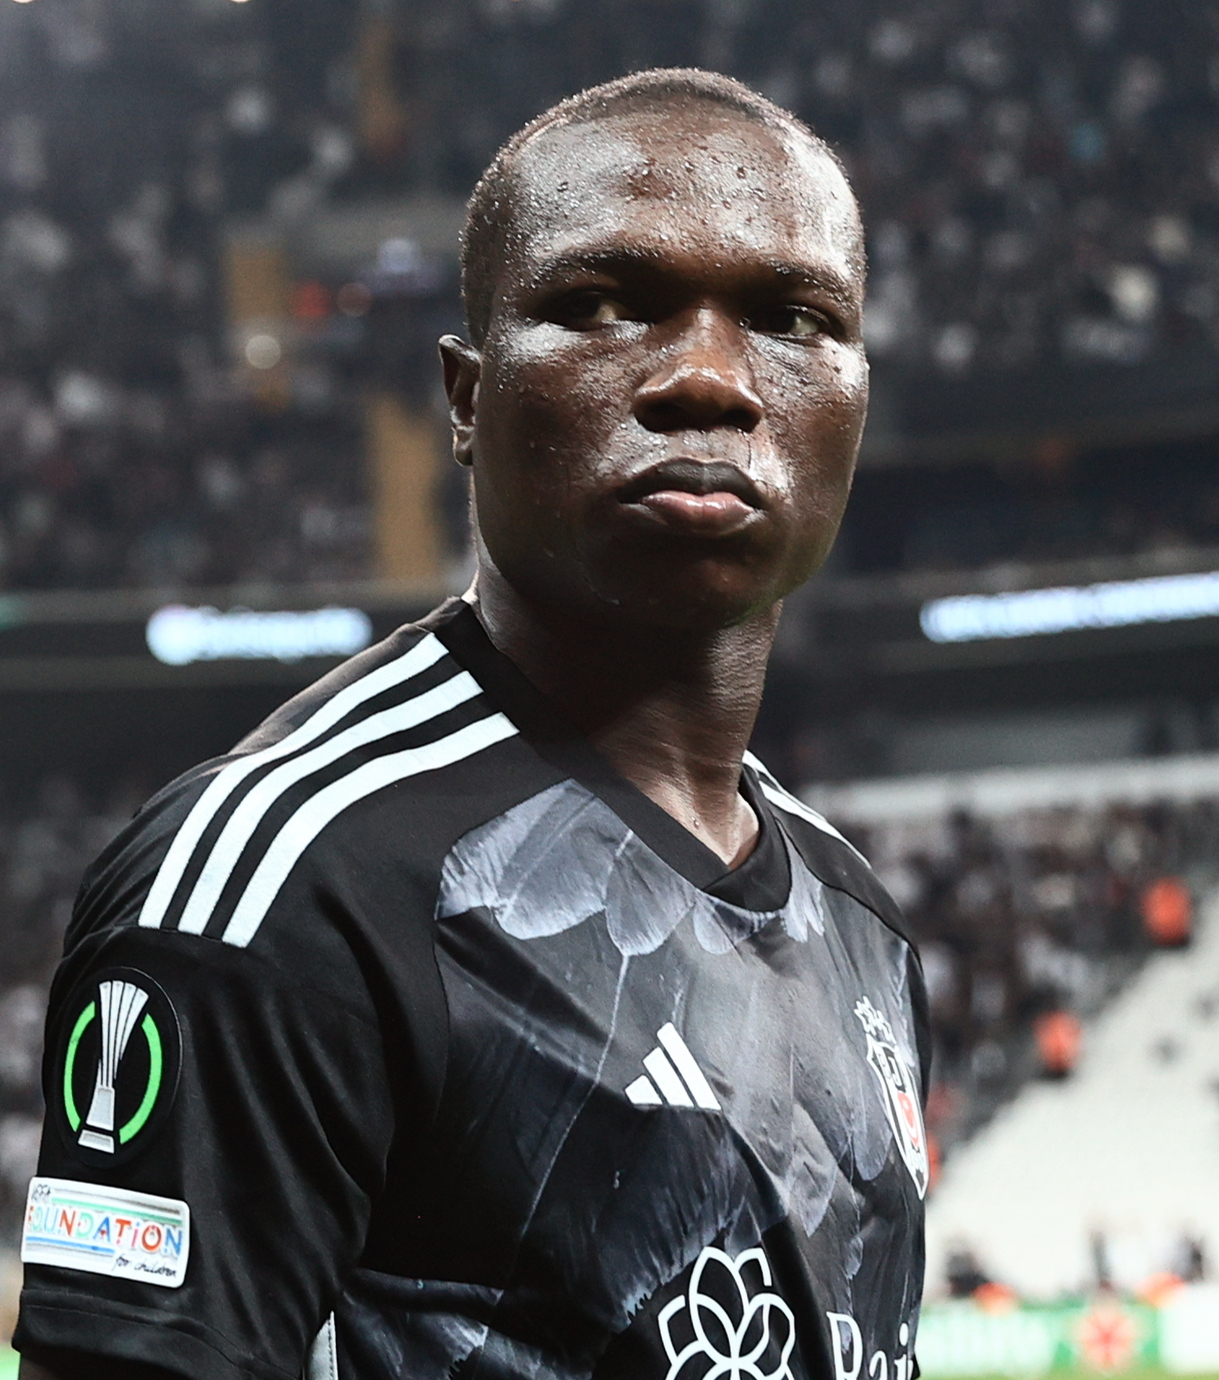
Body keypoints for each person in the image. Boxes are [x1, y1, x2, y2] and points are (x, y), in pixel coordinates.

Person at [16, 68, 930, 1380]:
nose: (709, 381)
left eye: (793, 318)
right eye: (605, 306)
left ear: (854, 396)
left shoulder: (859, 920)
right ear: (464, 397)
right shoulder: (283, 888)